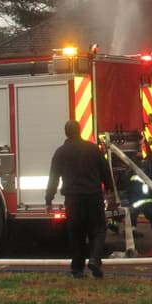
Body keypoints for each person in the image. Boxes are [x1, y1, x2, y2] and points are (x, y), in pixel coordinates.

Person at [45, 119, 115, 278]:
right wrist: (109, 190)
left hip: (73, 199)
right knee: (98, 229)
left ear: (66, 133)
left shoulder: (60, 152)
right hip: (93, 196)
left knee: (76, 233)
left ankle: (77, 269)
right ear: (80, 130)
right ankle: (95, 260)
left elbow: (53, 178)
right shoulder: (93, 149)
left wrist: (48, 199)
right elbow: (105, 170)